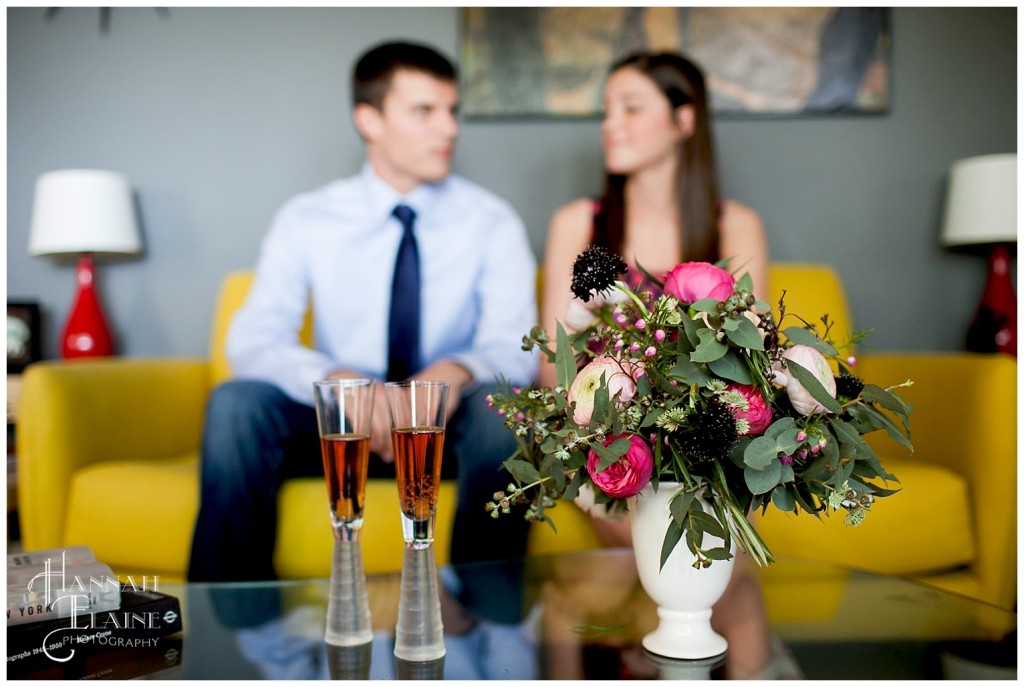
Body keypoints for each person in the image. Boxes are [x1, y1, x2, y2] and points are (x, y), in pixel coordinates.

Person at [188, 40, 537, 582]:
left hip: (444, 428)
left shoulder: (492, 221)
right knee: (236, 405)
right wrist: (339, 383)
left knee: (507, 410)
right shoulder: (307, 217)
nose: (449, 129)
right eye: (425, 111)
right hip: (337, 430)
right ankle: (232, 622)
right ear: (368, 119)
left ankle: (485, 622)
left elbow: (514, 345)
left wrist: (450, 375)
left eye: (452, 110)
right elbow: (254, 338)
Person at [538, 51, 775, 678]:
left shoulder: (735, 227)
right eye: (607, 110)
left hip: (701, 449)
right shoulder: (578, 225)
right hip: (596, 445)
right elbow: (553, 372)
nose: (610, 124)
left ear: (683, 120)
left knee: (709, 521)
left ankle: (675, 651)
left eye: (631, 108)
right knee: (688, 543)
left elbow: (756, 370)